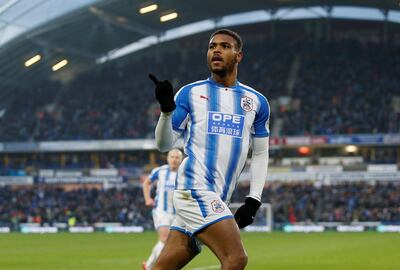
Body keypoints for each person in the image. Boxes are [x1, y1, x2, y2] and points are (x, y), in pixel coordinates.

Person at [149, 28, 270, 270]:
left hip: (218, 196)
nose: (216, 50)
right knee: (236, 259)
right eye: (212, 46)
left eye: (225, 46)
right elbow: (163, 144)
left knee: (162, 268)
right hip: (194, 189)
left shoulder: (256, 102)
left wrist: (253, 200)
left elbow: (259, 153)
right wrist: (166, 111)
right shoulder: (190, 93)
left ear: (238, 56)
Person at [141, 149, 183, 270]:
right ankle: (152, 267)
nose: (174, 159)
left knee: (173, 243)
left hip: (178, 213)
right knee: (164, 239)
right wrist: (147, 198)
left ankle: (149, 265)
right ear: (168, 158)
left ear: (180, 160)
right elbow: (146, 183)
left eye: (177, 157)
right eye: (172, 157)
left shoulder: (183, 172)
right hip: (161, 211)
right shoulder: (160, 171)